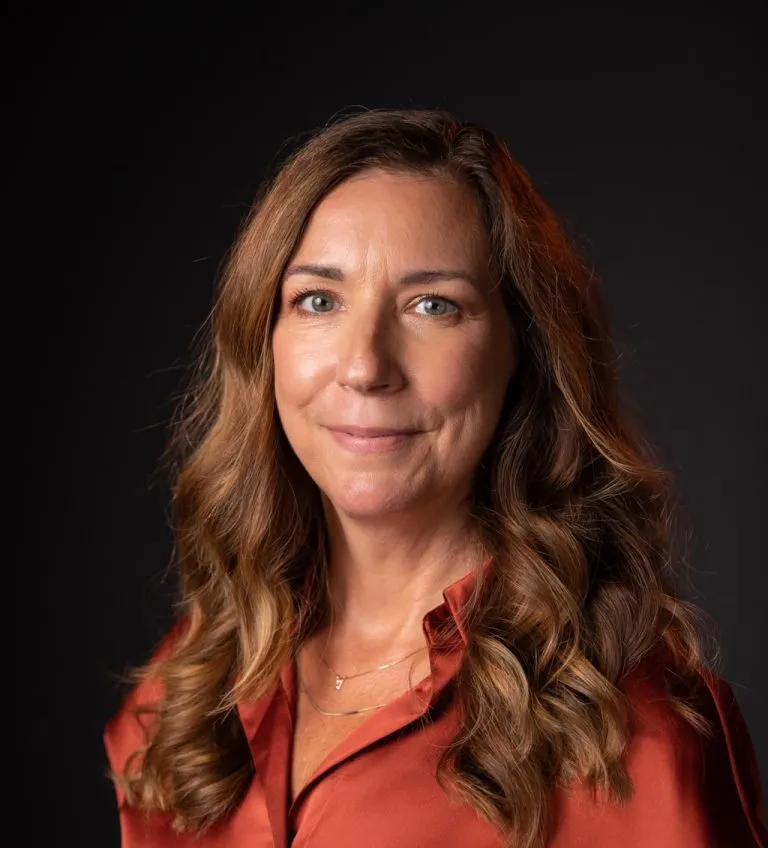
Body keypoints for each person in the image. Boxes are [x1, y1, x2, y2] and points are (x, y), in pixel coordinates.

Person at [104, 107, 766, 848]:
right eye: (318, 300)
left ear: (523, 352)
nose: (365, 366)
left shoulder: (633, 738)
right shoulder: (189, 686)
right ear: (265, 342)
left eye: (432, 306)